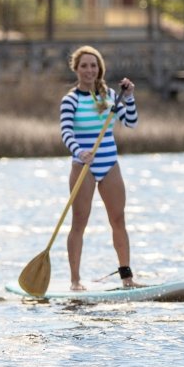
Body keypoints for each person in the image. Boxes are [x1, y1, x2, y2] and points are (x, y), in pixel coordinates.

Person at [59, 45, 141, 291]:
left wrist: (128, 97)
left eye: (93, 65)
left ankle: (127, 277)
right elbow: (66, 132)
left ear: (99, 69)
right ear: (76, 69)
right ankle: (75, 281)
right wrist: (79, 152)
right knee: (79, 222)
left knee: (118, 219)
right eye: (84, 65)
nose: (89, 70)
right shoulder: (70, 100)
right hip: (84, 166)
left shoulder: (110, 97)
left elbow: (131, 122)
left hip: (109, 164)